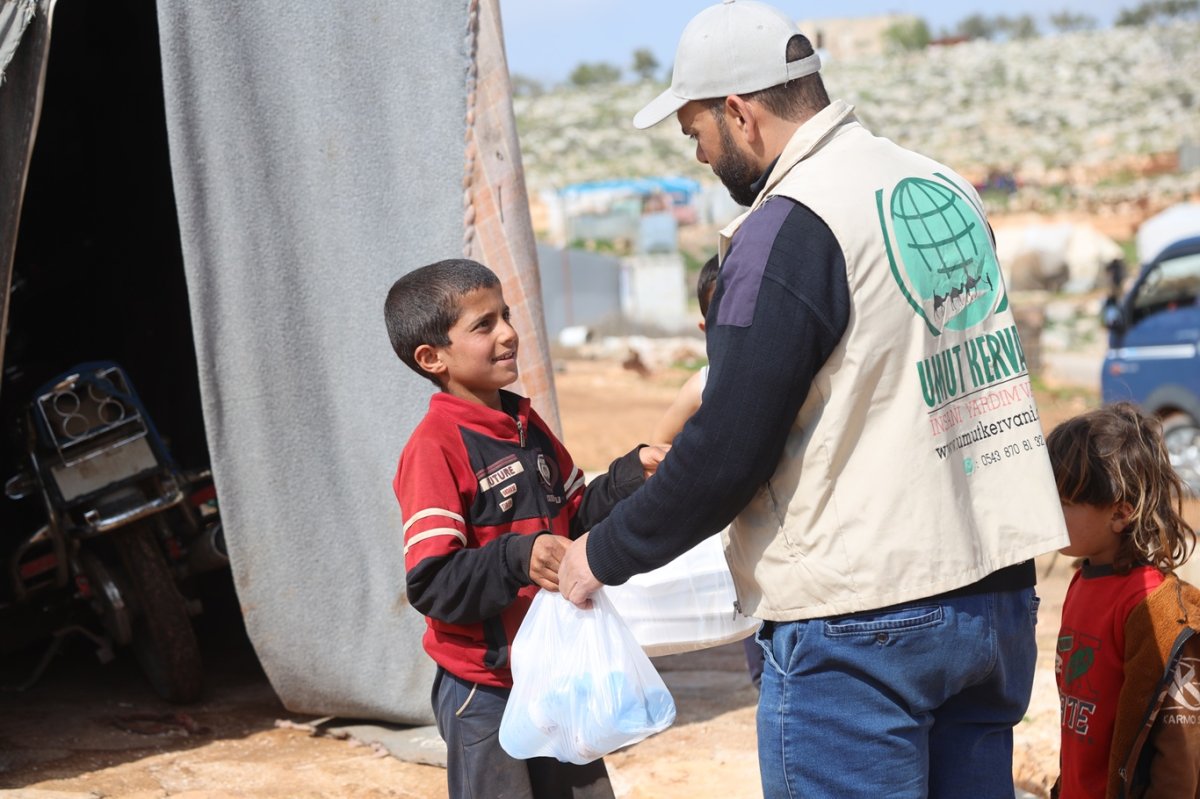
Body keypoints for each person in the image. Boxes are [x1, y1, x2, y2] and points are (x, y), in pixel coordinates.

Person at [555, 2, 1070, 796]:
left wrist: (603, 551)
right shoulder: (940, 186)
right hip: (993, 604)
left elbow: (726, 446)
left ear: (739, 112)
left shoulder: (788, 225)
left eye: (695, 132)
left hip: (863, 624)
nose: (699, 156)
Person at [383, 258, 664, 799]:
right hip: (486, 692)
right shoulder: (434, 448)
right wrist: (518, 557)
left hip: (558, 676)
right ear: (431, 357)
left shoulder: (526, 425)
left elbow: (574, 515)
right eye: (483, 325)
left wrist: (630, 475)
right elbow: (433, 583)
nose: (509, 333)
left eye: (505, 316)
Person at [1046, 403, 1200, 799]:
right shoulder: (1081, 582)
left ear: (1120, 513)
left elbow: (1180, 749)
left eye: (1064, 501)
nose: (1048, 511)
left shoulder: (1157, 606)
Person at [651, 254, 765, 690]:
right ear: (704, 329)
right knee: (764, 655)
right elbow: (653, 451)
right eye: (724, 318)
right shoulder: (703, 384)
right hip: (741, 545)